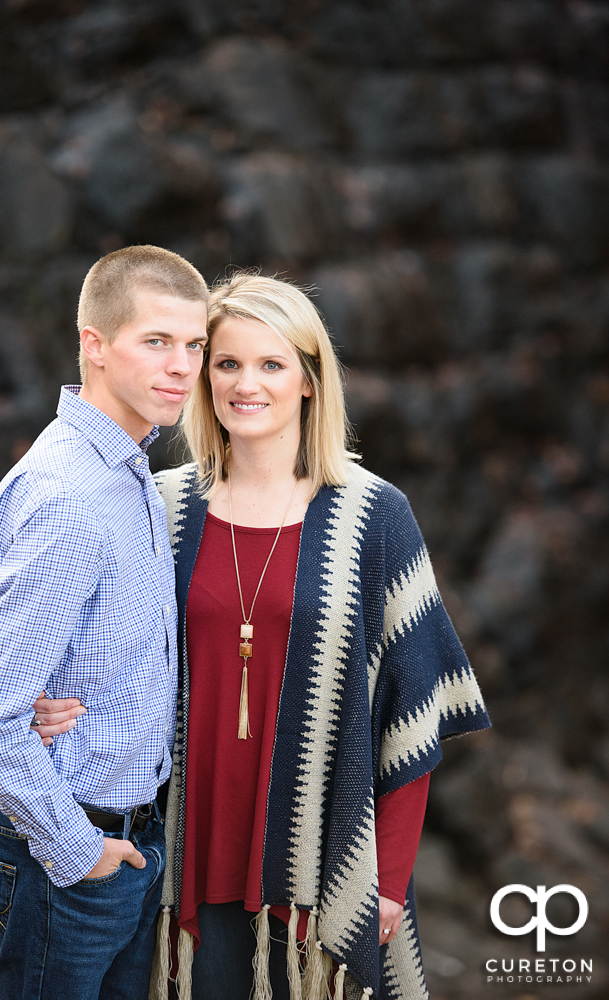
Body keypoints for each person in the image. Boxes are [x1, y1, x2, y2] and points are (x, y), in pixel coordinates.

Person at [36, 273, 491, 1000]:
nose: (246, 384)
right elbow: (84, 643)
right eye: (226, 363)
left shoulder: (374, 516)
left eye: (271, 364)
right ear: (202, 376)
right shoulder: (158, 504)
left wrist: (391, 882)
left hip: (317, 858)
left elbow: (412, 708)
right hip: (176, 851)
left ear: (310, 381)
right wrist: (42, 700)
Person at [0, 245, 209, 1000]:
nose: (182, 366)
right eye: (156, 341)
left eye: (194, 345)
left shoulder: (124, 470)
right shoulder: (70, 497)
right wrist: (79, 852)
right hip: (65, 851)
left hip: (123, 835)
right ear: (93, 345)